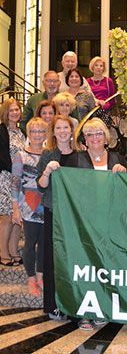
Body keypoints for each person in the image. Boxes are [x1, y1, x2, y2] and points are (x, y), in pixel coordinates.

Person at [65, 117, 126, 330]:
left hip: (108, 223)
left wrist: (124, 173)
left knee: (105, 267)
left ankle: (101, 308)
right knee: (85, 267)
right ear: (85, 139)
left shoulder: (117, 158)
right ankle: (84, 313)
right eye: (89, 134)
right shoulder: (75, 159)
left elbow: (126, 189)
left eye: (98, 133)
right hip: (83, 222)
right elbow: (67, 185)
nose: (94, 138)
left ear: (106, 137)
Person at [37, 115, 75, 320]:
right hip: (54, 212)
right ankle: (53, 304)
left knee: (72, 259)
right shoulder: (48, 154)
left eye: (65, 127)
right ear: (53, 132)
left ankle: (73, 301)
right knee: (52, 259)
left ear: (71, 131)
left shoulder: (80, 155)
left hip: (75, 216)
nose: (62, 131)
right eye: (58, 128)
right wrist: (47, 171)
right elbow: (40, 185)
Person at [12, 117, 48, 296]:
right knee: (30, 243)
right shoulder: (21, 155)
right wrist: (16, 207)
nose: (37, 135)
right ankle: (31, 278)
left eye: (41, 131)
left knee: (44, 243)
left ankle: (41, 276)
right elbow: (15, 183)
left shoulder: (49, 154)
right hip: (27, 204)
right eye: (34, 131)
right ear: (29, 133)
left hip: (46, 204)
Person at [0, 98, 26, 266]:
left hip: (21, 179)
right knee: (7, 216)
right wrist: (13, 172)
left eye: (17, 109)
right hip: (5, 176)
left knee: (19, 216)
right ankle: (3, 252)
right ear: (5, 113)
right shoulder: (1, 130)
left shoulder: (21, 131)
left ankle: (14, 250)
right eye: (11, 110)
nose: (15, 113)